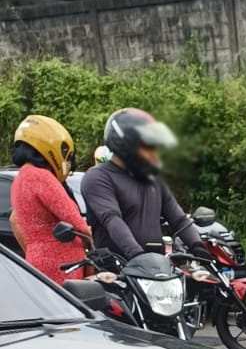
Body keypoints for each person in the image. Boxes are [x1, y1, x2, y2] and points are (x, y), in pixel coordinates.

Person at [81, 108, 209, 262]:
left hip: (156, 268)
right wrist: (137, 255)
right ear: (125, 144)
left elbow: (179, 219)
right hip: (117, 272)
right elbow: (112, 219)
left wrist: (198, 247)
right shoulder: (98, 177)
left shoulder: (152, 178)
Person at [9, 115, 88, 284]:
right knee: (72, 309)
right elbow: (79, 226)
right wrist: (90, 238)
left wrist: (36, 249)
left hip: (37, 263)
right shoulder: (42, 177)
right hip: (63, 266)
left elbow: (14, 220)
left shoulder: (21, 178)